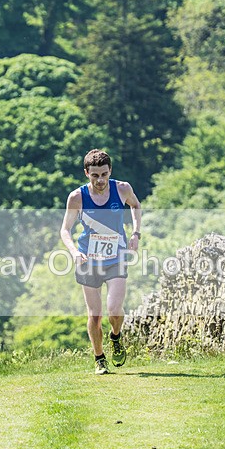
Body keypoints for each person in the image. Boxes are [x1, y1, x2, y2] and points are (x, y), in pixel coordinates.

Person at [60, 149, 141, 374]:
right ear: (87, 173)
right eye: (95, 175)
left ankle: (116, 337)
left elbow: (136, 206)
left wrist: (135, 233)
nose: (100, 180)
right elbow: (65, 230)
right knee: (94, 315)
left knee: (114, 309)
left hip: (116, 257)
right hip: (89, 259)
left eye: (104, 174)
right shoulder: (77, 197)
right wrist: (74, 252)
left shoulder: (122, 189)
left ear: (110, 171)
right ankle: (99, 358)